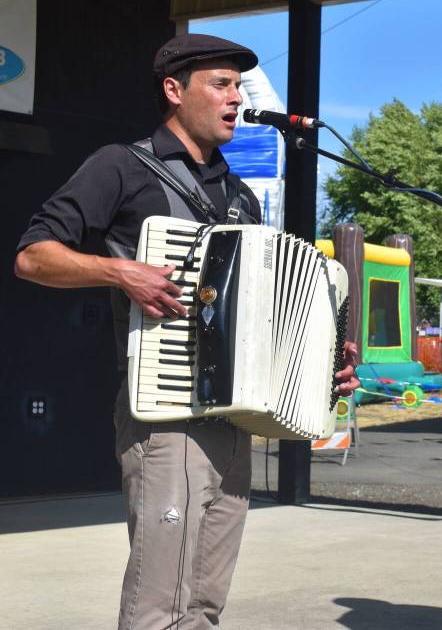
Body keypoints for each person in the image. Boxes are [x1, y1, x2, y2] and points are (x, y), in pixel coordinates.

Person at [13, 33, 360, 629]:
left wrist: (325, 355)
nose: (236, 98)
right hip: (166, 415)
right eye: (220, 84)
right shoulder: (120, 166)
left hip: (236, 419)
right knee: (161, 600)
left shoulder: (241, 198)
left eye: (239, 86)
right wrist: (118, 271)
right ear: (174, 91)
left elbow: (272, 311)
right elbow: (31, 256)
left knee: (203, 601)